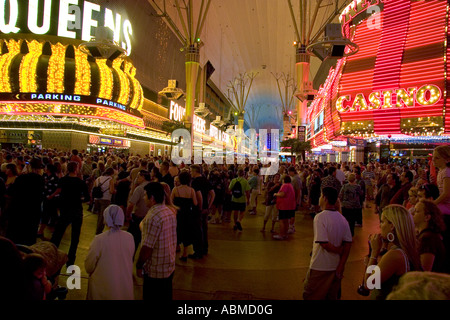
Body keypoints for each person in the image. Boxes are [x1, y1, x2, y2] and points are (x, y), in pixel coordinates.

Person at [303, 187, 352, 300]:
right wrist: (341, 265)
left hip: (320, 265)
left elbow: (324, 243)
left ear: (325, 198)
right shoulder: (343, 219)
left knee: (311, 294)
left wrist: (338, 250)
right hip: (335, 265)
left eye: (321, 196)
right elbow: (348, 244)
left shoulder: (320, 217)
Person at [365, 205, 422, 300]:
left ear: (392, 226)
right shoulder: (409, 247)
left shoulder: (395, 255)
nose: (380, 226)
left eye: (382, 222)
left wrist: (374, 253)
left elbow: (368, 284)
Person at [136, 182, 177, 301]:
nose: (144, 198)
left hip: (155, 270)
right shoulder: (169, 211)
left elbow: (147, 248)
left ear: (152, 197)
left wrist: (139, 265)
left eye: (145, 195)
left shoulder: (152, 217)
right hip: (168, 265)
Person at [84, 205, 135, 300]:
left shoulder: (99, 239)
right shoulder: (130, 237)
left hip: (102, 289)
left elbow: (89, 266)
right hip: (124, 287)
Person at [50, 161, 89, 267]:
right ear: (76, 169)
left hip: (65, 210)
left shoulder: (63, 180)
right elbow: (87, 198)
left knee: (58, 234)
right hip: (76, 210)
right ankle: (70, 260)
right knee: (75, 237)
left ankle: (52, 254)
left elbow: (58, 191)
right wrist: (79, 198)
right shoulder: (81, 182)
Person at [5, 157, 45, 246]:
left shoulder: (22, 177)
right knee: (29, 236)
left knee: (16, 236)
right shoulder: (41, 180)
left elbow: (11, 191)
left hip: (19, 209)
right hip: (33, 210)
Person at [413, 200, 446, 273]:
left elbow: (424, 271)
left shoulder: (428, 238)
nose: (412, 214)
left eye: (416, 211)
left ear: (427, 217)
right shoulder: (427, 235)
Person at [171, 171, 197, 261]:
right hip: (188, 214)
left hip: (178, 214)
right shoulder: (191, 190)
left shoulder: (175, 189)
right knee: (186, 232)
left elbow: (170, 202)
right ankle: (185, 253)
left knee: (177, 231)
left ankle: (176, 248)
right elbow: (195, 203)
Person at [432, 145, 450, 272]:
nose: (434, 161)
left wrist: (433, 203)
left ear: (446, 159)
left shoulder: (447, 172)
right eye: (434, 158)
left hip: (446, 207)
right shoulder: (442, 172)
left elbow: (446, 193)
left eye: (437, 158)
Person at [191, 165, 214, 257]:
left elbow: (199, 195)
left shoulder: (195, 182)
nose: (190, 172)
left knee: (197, 230)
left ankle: (198, 251)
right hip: (205, 208)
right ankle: (205, 248)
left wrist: (200, 208)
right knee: (204, 229)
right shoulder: (205, 180)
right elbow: (213, 194)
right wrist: (208, 206)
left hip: (198, 209)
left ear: (195, 171)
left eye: (191, 171)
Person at [126, 170, 151, 252]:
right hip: (149, 217)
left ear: (143, 177)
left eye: (138, 176)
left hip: (138, 218)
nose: (137, 178)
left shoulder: (139, 188)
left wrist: (128, 215)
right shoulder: (152, 186)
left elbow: (131, 204)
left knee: (134, 241)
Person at [38, 164, 60, 238]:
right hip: (45, 197)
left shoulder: (55, 178)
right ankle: (46, 230)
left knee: (47, 214)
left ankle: (41, 231)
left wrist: (51, 196)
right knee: (51, 213)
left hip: (51, 198)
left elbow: (58, 189)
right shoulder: (44, 176)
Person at [93, 167, 115, 235]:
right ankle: (99, 231)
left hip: (97, 199)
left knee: (99, 215)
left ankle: (98, 229)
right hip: (105, 199)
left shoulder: (98, 178)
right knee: (102, 217)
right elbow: (111, 191)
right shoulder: (110, 180)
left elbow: (94, 188)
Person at [273, 175, 296, 240]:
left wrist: (276, 194)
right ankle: (285, 234)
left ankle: (282, 234)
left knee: (282, 221)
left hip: (284, 206)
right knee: (286, 221)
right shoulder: (290, 185)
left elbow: (282, 194)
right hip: (290, 206)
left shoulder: (285, 185)